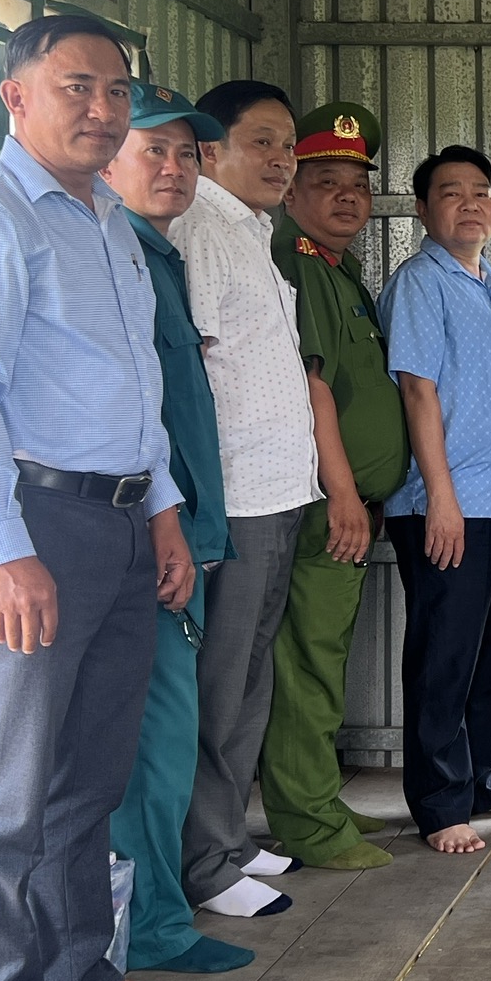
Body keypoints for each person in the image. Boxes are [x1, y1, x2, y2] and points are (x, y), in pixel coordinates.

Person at [0, 14, 189, 981]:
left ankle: (78, 970)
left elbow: (137, 389)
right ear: (15, 95)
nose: (103, 109)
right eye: (77, 87)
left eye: (117, 91)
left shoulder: (107, 220)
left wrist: (162, 511)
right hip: (31, 526)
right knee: (12, 784)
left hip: (117, 521)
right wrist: (4, 550)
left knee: (91, 771)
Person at [96, 86, 255, 974]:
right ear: (109, 160)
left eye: (187, 153)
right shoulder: (112, 257)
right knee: (151, 745)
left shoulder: (156, 256)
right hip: (152, 539)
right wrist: (172, 529)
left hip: (185, 533)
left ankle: (153, 920)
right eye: (152, 149)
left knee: (166, 737)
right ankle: (148, 929)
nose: (173, 167)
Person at [170, 78, 323, 920]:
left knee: (249, 674)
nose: (281, 158)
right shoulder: (199, 228)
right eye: (261, 141)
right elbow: (191, 366)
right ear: (211, 149)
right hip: (233, 494)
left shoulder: (252, 232)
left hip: (275, 488)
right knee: (220, 680)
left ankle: (228, 835)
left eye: (287, 145)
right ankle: (206, 862)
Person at [262, 102, 412, 871]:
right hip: (327, 504)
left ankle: (318, 795)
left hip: (348, 503)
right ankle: (309, 822)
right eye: (326, 182)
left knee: (325, 656)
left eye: (358, 184)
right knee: (308, 664)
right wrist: (345, 493)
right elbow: (313, 387)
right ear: (291, 190)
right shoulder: (297, 261)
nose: (347, 197)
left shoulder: (337, 267)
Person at [383, 144, 491, 855]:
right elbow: (417, 391)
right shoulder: (420, 283)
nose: (470, 204)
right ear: (423, 210)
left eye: (482, 192)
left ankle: (480, 781)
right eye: (452, 193)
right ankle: (439, 802)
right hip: (447, 502)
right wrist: (440, 498)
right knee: (444, 653)